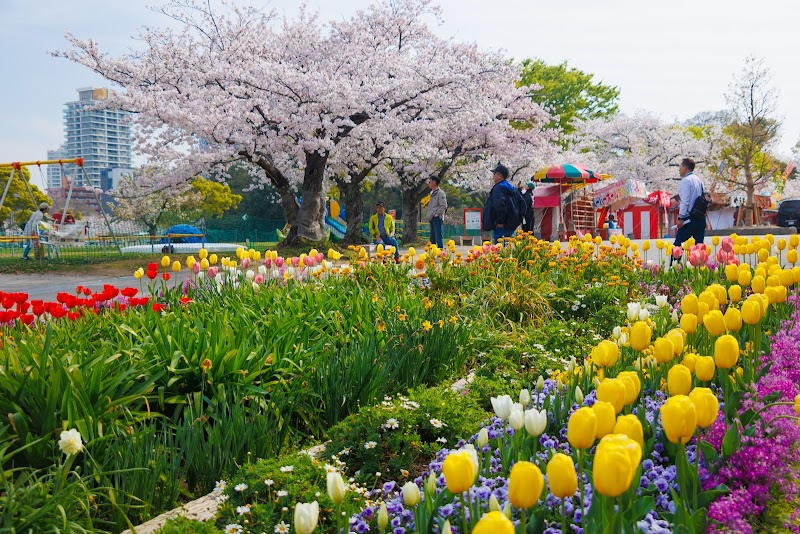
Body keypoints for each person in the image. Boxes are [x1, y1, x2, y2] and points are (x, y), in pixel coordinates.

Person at [673, 157, 705, 261]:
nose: (679, 169)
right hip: (700, 217)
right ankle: (699, 270)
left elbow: (685, 201)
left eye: (681, 167)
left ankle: (676, 268)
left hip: (689, 218)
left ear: (686, 167)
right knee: (699, 249)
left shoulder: (686, 181)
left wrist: (680, 218)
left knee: (677, 245)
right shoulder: (699, 180)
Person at [482, 164, 518, 243]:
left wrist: (499, 221)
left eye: (494, 174)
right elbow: (522, 205)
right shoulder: (512, 188)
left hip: (501, 226)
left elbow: (499, 205)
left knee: (499, 249)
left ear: (500, 175)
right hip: (511, 224)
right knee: (508, 249)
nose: (493, 176)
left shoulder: (498, 188)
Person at [426, 175, 447, 248]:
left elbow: (443, 205)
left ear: (434, 182)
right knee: (432, 238)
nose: (429, 183)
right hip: (432, 218)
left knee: (438, 236)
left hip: (437, 218)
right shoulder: (432, 193)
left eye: (430, 181)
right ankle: (433, 254)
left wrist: (436, 214)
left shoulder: (440, 193)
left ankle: (441, 254)